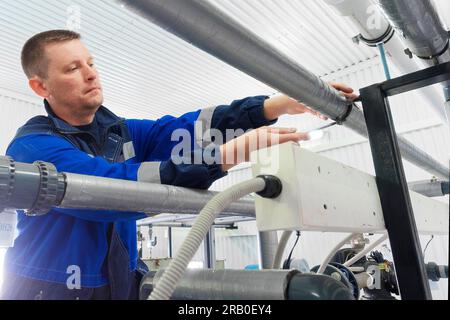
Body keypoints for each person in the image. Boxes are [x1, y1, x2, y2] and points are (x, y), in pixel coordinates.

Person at [0, 30, 357, 300]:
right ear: (40, 86)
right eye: (73, 68)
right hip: (48, 290)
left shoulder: (119, 132)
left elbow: (185, 128)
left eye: (91, 63)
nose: (91, 74)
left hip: (119, 284)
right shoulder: (35, 145)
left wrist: (271, 107)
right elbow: (110, 191)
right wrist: (230, 154)